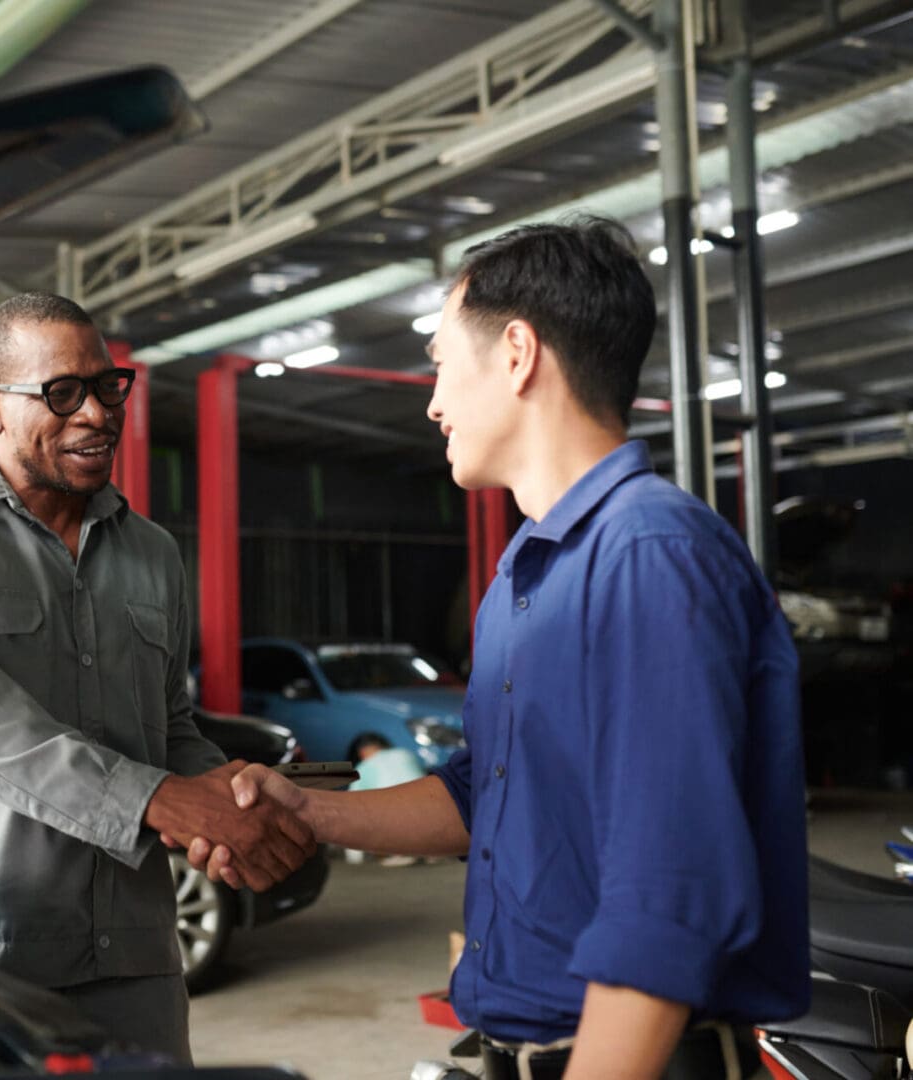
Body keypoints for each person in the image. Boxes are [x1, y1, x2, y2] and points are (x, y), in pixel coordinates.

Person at [191, 218, 809, 1079]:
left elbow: (671, 899)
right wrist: (308, 810)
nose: (434, 400)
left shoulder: (646, 557)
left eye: (443, 363)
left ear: (517, 353)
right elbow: (489, 794)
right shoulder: (529, 570)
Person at [0, 291, 313, 1063]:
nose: (98, 414)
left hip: (136, 956)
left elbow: (168, 726)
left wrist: (235, 806)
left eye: (108, 387)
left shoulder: (152, 554)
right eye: (62, 393)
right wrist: (173, 803)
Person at [343, 733, 426, 866]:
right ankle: (426, 849)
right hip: (431, 814)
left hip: (398, 824)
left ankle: (397, 852)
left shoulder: (363, 767)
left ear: (362, 752)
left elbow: (349, 809)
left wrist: (353, 855)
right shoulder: (405, 754)